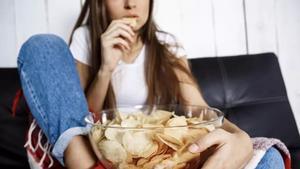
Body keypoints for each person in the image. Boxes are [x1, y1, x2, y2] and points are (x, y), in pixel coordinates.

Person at [17, 0, 285, 169]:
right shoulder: (87, 39)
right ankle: (83, 163)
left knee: (269, 158)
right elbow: (77, 114)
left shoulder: (166, 44)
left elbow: (202, 110)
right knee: (43, 46)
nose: (130, 3)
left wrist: (240, 139)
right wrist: (106, 69)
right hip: (101, 151)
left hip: (159, 156)